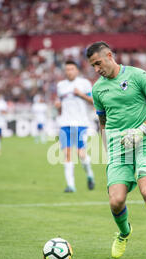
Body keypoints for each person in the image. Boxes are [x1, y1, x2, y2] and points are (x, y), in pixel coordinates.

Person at [86, 41, 146, 259]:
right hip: (118, 149)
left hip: (143, 143)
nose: (97, 69)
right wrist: (107, 148)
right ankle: (124, 233)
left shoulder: (139, 76)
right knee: (116, 201)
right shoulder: (97, 89)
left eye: (98, 63)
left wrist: (142, 130)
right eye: (93, 66)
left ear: (109, 55)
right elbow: (103, 121)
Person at [55, 60, 95, 193]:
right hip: (64, 123)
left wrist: (81, 95)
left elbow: (93, 102)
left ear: (77, 70)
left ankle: (89, 174)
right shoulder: (61, 85)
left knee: (81, 154)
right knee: (66, 154)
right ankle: (71, 185)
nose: (69, 71)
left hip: (80, 123)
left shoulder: (84, 84)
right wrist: (58, 107)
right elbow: (60, 106)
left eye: (71, 69)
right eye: (67, 69)